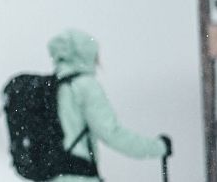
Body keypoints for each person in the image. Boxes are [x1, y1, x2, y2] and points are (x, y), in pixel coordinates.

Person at [47, 29, 171, 181]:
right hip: (79, 176)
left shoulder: (52, 87)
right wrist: (158, 148)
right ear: (85, 54)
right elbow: (112, 134)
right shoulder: (85, 86)